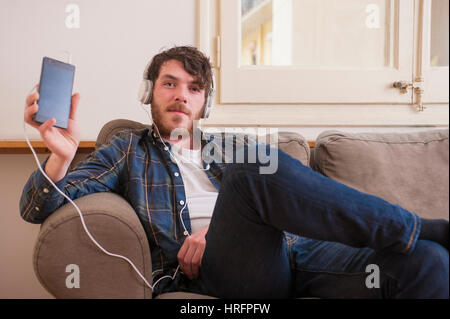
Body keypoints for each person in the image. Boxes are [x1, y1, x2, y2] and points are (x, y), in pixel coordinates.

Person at [21, 46, 449, 298]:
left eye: (193, 88)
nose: (180, 97)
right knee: (249, 175)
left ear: (204, 102)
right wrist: (59, 156)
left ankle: (424, 238)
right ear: (148, 92)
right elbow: (35, 207)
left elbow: (295, 203)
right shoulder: (127, 148)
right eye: (169, 83)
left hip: (299, 254)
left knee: (428, 262)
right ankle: (423, 226)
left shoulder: (234, 146)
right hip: (226, 271)